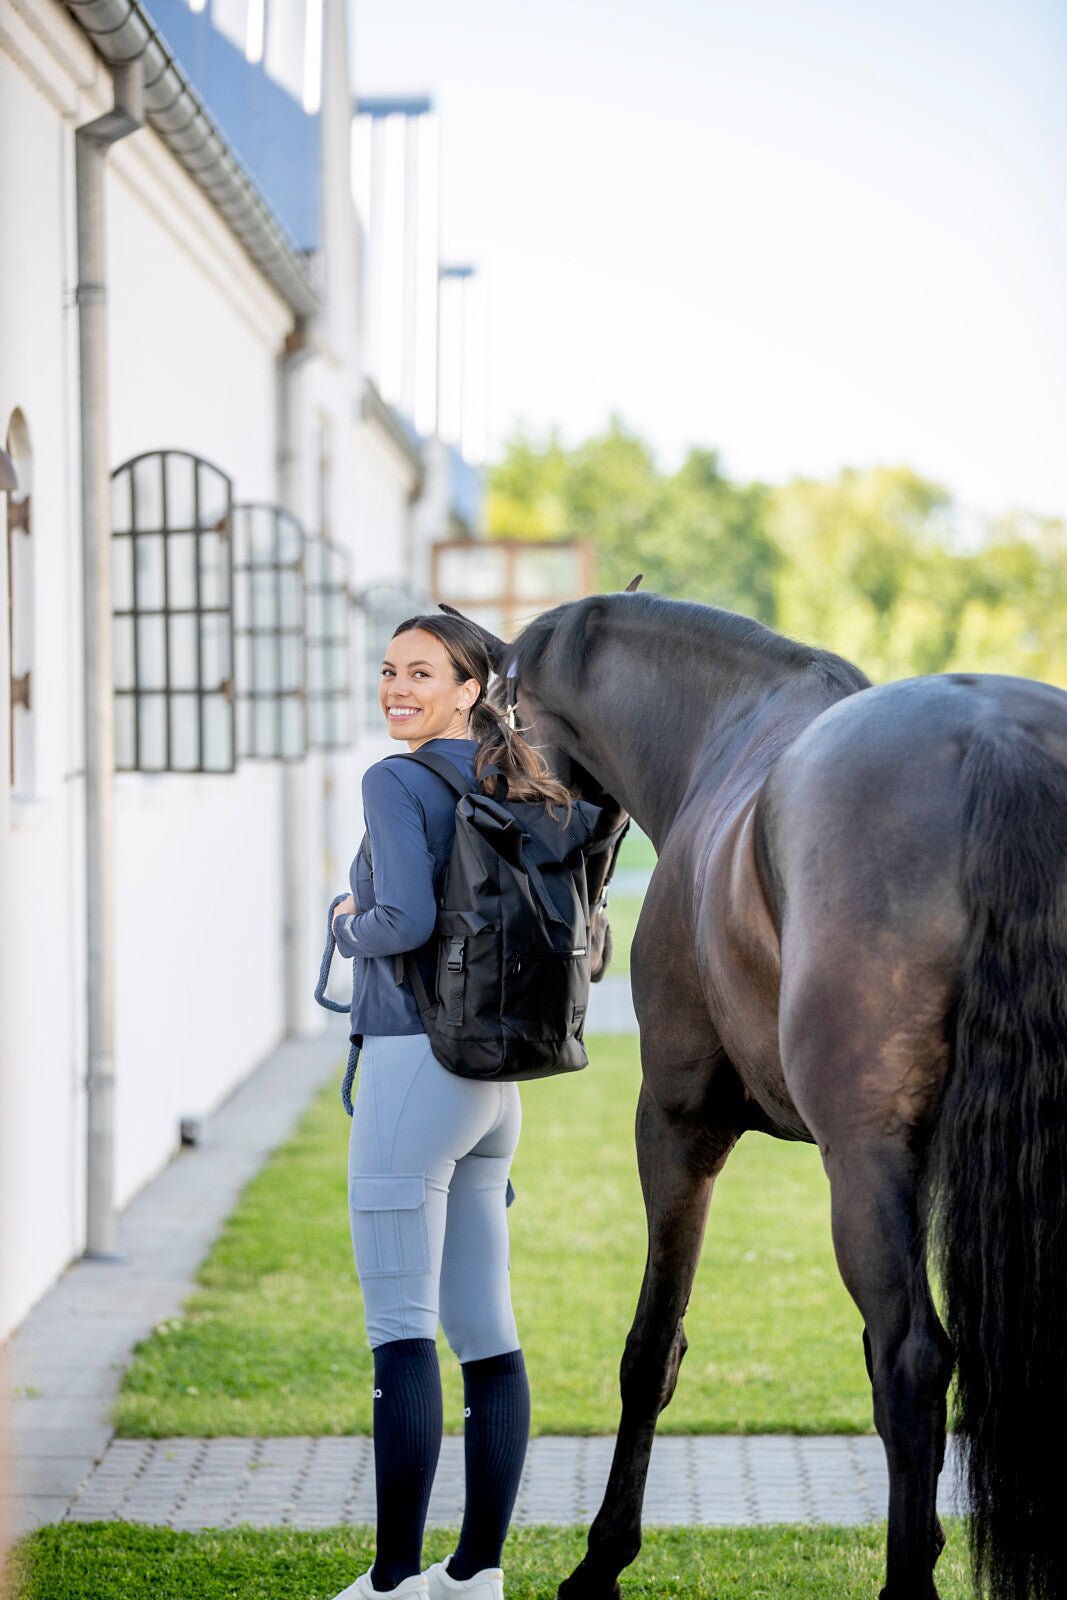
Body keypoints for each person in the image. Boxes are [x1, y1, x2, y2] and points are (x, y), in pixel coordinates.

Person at [326, 613, 573, 1600]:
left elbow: (408, 920)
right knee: (485, 1330)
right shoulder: (510, 774)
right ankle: (473, 1575)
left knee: (400, 1328)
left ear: (469, 686)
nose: (395, 686)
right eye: (388, 670)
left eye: (420, 672)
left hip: (407, 1069)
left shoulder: (394, 779)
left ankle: (391, 1584)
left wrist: (350, 923)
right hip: (490, 1084)